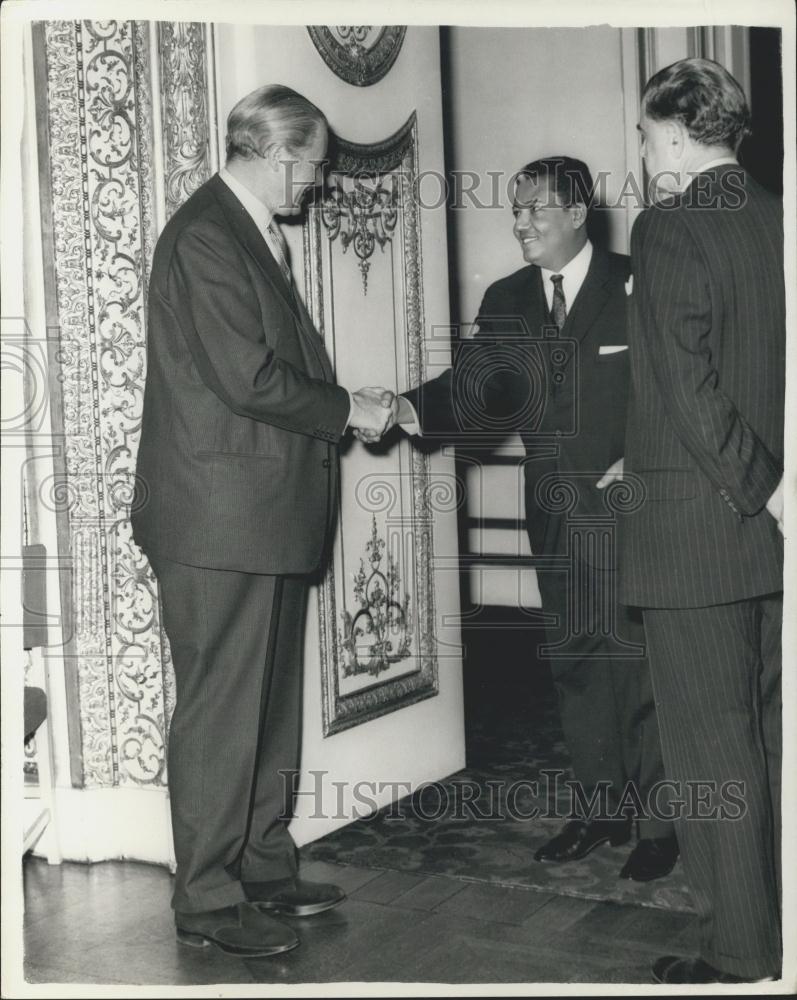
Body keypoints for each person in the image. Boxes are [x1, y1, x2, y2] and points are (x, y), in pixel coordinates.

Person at [131, 84, 395, 958]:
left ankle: (262, 863)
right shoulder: (207, 234)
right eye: (312, 166)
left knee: (269, 702)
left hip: (260, 513)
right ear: (278, 153)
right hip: (217, 520)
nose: (313, 184)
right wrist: (347, 408)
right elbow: (247, 378)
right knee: (222, 710)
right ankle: (207, 898)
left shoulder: (242, 231)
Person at [371, 156, 677, 881]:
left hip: (632, 505)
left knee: (638, 665)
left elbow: (678, 383)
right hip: (555, 512)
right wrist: (406, 408)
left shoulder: (640, 281)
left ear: (576, 214)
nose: (520, 223)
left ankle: (661, 825)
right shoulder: (509, 299)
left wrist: (646, 455)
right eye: (513, 211)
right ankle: (601, 809)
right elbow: (480, 386)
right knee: (574, 664)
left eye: (536, 209)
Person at [621, 58, 784, 984]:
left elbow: (688, 389)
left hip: (697, 533)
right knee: (767, 734)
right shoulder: (779, 216)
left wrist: (763, 484)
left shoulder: (670, 224)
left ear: (675, 134)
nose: (643, 156)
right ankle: (781, 926)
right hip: (766, 535)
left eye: (645, 138)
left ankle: (741, 953)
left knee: (708, 747)